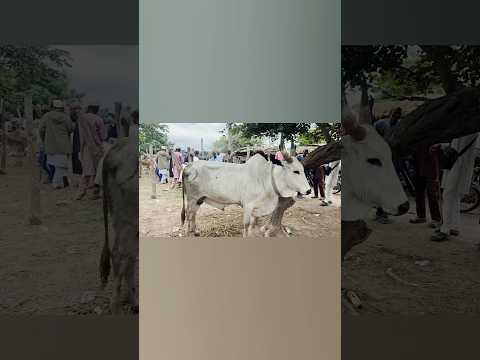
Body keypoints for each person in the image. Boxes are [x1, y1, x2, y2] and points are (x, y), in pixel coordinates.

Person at [431, 133, 480, 242]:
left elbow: (458, 147)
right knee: (454, 196)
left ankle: (445, 230)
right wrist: (442, 145)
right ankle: (454, 226)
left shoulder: (468, 128)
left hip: (458, 165)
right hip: (458, 165)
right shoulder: (470, 129)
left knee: (448, 195)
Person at [374, 107, 403, 224]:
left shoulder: (400, 126)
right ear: (390, 113)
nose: (397, 115)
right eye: (395, 113)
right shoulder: (381, 124)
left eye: (399, 114)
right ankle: (380, 212)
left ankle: (383, 212)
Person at [38, 100, 73, 189]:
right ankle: (60, 182)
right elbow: (70, 129)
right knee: (62, 165)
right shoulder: (66, 117)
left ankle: (58, 183)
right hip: (64, 144)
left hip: (50, 144)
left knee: (52, 163)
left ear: (53, 107)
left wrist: (44, 139)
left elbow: (41, 129)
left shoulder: (47, 116)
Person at [76, 100, 106, 200]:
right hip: (97, 147)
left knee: (87, 171)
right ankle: (95, 193)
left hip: (85, 147)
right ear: (96, 110)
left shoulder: (81, 119)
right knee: (97, 171)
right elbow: (103, 136)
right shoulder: (98, 119)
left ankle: (81, 192)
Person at [409, 143, 442, 228]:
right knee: (418, 192)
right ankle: (421, 216)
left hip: (431, 165)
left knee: (431, 193)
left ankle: (436, 219)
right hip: (418, 163)